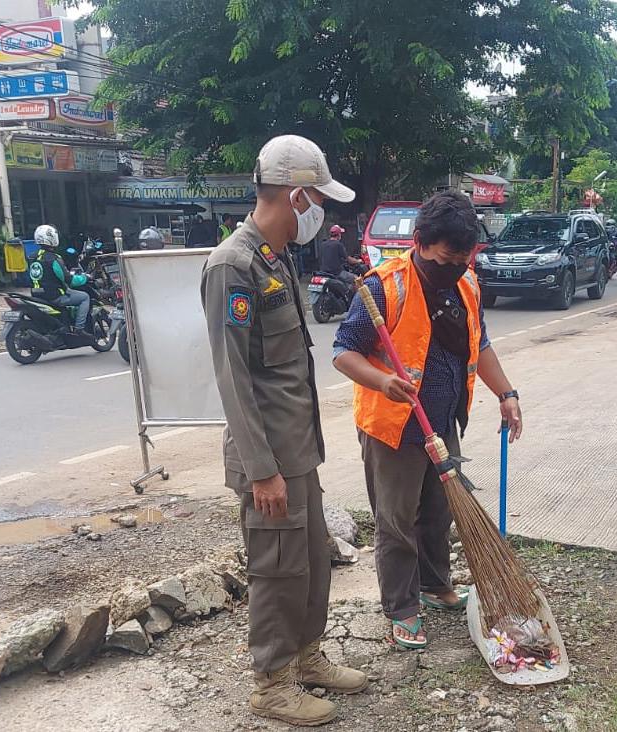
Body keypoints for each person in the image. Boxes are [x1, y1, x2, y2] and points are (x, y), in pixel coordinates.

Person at [201, 134, 367, 727]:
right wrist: (262, 468)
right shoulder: (233, 265)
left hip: (299, 451)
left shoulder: (276, 260)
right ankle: (271, 684)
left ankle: (307, 657)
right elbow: (234, 381)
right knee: (275, 568)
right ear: (296, 196)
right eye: (318, 198)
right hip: (268, 457)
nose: (321, 211)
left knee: (311, 561)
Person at [332, 191, 523, 650]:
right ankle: (402, 607)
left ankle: (436, 585)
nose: (452, 269)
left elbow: (482, 345)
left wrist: (507, 393)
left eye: (462, 260)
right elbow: (343, 352)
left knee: (439, 511)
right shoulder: (384, 286)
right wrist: (381, 382)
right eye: (443, 261)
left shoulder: (467, 284)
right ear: (418, 242)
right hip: (392, 427)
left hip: (442, 422)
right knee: (396, 521)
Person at [29, 224, 90, 333]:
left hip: (36, 294)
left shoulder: (32, 257)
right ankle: (79, 329)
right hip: (54, 296)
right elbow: (68, 280)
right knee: (84, 297)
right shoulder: (54, 259)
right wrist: (84, 278)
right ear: (52, 238)